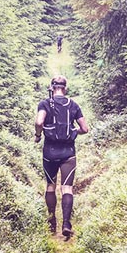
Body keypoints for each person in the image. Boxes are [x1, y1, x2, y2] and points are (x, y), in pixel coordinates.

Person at [34, 75, 89, 240]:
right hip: (68, 152)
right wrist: (73, 132)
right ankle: (66, 224)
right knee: (67, 188)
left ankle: (52, 223)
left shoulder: (44, 103)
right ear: (65, 88)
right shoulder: (73, 105)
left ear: (52, 87)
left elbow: (38, 122)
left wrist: (38, 136)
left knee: (50, 186)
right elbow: (85, 129)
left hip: (49, 152)